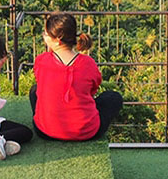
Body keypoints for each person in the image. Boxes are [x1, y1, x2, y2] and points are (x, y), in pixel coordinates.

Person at [30, 12, 124, 141]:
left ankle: (48, 121)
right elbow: (92, 90)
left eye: (46, 34)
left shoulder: (41, 60)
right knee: (113, 97)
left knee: (35, 90)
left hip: (45, 132)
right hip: (85, 132)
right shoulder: (88, 63)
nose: (44, 37)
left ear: (58, 39)